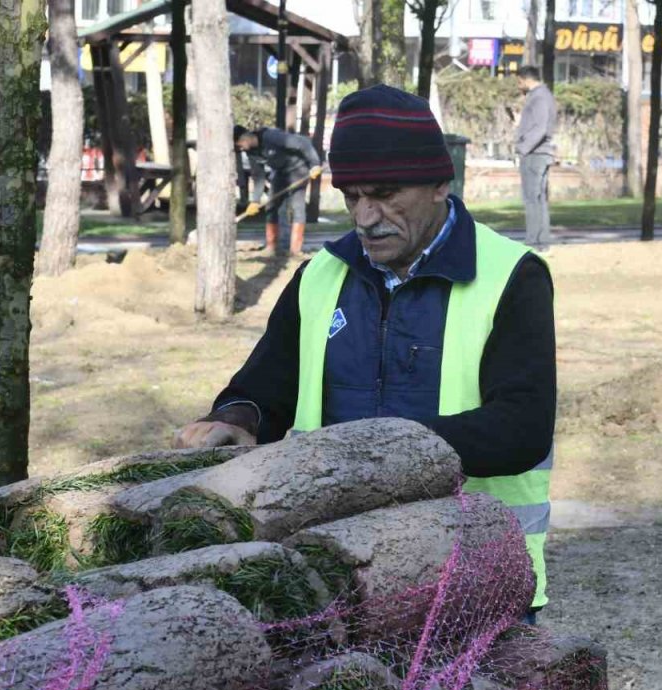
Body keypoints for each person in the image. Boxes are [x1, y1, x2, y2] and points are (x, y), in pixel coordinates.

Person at [176, 85, 557, 618]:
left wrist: (369, 453)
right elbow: (266, 386)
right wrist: (238, 417)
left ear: (440, 182)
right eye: (351, 195)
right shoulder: (319, 276)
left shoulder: (513, 276)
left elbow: (521, 429)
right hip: (338, 579)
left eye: (384, 193)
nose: (364, 216)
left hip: (475, 575)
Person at [234, 125, 324, 255]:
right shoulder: (251, 152)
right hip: (281, 173)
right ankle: (271, 247)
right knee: (271, 206)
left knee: (297, 207)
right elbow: (258, 176)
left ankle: (295, 250)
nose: (240, 149)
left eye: (239, 145)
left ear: (244, 137)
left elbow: (303, 143)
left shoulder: (270, 136)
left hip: (299, 170)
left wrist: (315, 164)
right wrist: (255, 201)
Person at [516, 66, 557, 250]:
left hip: (535, 154)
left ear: (525, 79)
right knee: (539, 198)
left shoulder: (539, 97)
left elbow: (540, 128)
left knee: (532, 198)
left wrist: (523, 148)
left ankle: (534, 241)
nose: (518, 86)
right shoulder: (545, 95)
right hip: (540, 153)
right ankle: (542, 241)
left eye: (519, 81)